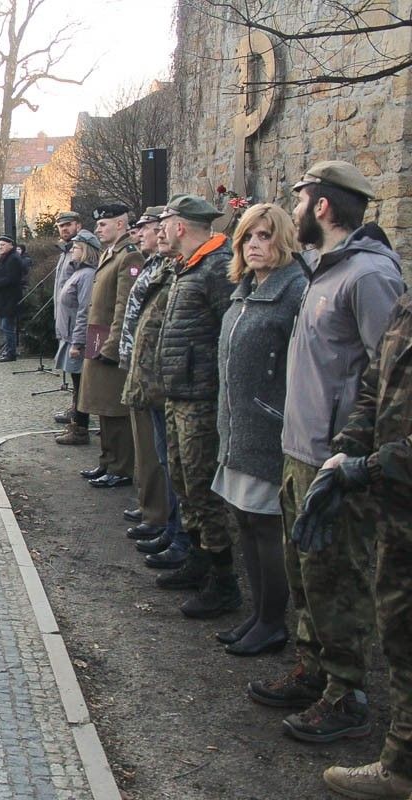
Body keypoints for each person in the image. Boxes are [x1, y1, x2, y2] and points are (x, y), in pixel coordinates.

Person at [248, 161, 404, 746]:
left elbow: (388, 377)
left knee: (336, 579)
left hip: (334, 459)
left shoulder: (369, 277)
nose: (291, 211)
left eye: (299, 199)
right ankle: (315, 672)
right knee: (308, 573)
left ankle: (347, 695)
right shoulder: (324, 270)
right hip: (300, 449)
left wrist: (351, 454)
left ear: (322, 207)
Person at [315, 288, 412, 799]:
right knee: (399, 631)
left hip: (395, 483)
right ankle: (400, 764)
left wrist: (369, 466)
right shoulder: (408, 303)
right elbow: (376, 382)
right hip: (398, 509)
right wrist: (349, 446)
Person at [212, 204, 307, 655]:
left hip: (268, 427)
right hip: (238, 426)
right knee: (245, 521)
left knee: (266, 525)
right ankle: (258, 613)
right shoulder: (244, 291)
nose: (254, 245)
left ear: (283, 240)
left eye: (265, 236)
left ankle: (273, 621)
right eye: (248, 237)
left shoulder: (295, 293)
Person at [150, 195, 239, 618]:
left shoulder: (217, 266)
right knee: (185, 484)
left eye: (165, 221)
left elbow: (229, 334)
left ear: (181, 225)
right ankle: (199, 562)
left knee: (203, 490)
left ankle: (223, 583)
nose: (160, 228)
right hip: (179, 392)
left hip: (202, 397)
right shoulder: (188, 265)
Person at [116, 208, 172, 543]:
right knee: (147, 444)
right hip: (139, 366)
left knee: (156, 449)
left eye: (147, 228)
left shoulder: (163, 266)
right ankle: (149, 504)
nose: (142, 233)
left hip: (154, 373)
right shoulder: (152, 263)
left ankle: (158, 512)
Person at [76, 204, 139, 489]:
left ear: (121, 224)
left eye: (104, 224)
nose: (99, 228)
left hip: (110, 341)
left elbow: (124, 306)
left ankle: (121, 466)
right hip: (97, 335)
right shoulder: (110, 253)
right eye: (98, 224)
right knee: (100, 404)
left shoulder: (129, 256)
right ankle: (106, 460)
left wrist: (113, 346)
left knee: (115, 408)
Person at [52, 231, 99, 444]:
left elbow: (84, 310)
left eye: (77, 248)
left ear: (86, 251)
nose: (72, 251)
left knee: (81, 384)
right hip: (69, 334)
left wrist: (78, 342)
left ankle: (80, 428)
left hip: (76, 337)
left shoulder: (88, 274)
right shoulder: (79, 272)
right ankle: (76, 424)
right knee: (76, 382)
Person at [51, 211, 83, 423]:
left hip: (76, 324)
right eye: (61, 226)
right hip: (65, 321)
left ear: (78, 225)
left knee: (79, 373)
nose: (64, 229)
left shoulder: (81, 252)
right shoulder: (66, 252)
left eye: (68, 225)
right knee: (74, 374)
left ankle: (79, 416)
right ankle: (76, 408)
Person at [0, 235, 27, 363]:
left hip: (10, 298)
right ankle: (8, 350)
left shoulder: (13, 259)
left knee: (7, 326)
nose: (0, 247)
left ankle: (11, 352)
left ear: (11, 245)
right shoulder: (5, 258)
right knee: (3, 325)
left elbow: (12, 278)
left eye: (3, 245)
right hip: (3, 298)